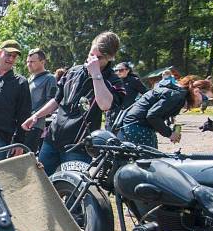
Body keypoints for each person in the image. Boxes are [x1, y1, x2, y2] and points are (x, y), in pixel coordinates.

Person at [22, 31, 123, 175]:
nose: (92, 60)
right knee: (41, 180)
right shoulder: (72, 72)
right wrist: (36, 116)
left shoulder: (113, 81)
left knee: (72, 188)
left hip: (79, 147)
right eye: (91, 54)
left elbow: (105, 105)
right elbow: (56, 100)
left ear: (110, 57)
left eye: (98, 58)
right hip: (52, 139)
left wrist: (96, 75)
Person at [119, 75, 213, 147]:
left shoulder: (178, 94)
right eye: (205, 98)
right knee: (148, 162)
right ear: (196, 91)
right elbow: (152, 116)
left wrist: (170, 132)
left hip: (136, 125)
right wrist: (170, 134)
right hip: (137, 126)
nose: (203, 102)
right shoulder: (176, 96)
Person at [24, 48, 57, 153]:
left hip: (35, 125)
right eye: (27, 62)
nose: (29, 64)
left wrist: (36, 116)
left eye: (32, 62)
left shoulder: (49, 78)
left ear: (42, 62)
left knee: (28, 157)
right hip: (22, 123)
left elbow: (52, 102)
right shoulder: (29, 79)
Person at [106, 61, 147, 129]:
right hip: (111, 116)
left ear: (127, 70)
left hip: (126, 116)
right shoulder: (113, 81)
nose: (118, 72)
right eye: (116, 70)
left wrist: (138, 105)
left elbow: (147, 94)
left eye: (121, 70)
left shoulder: (134, 80)